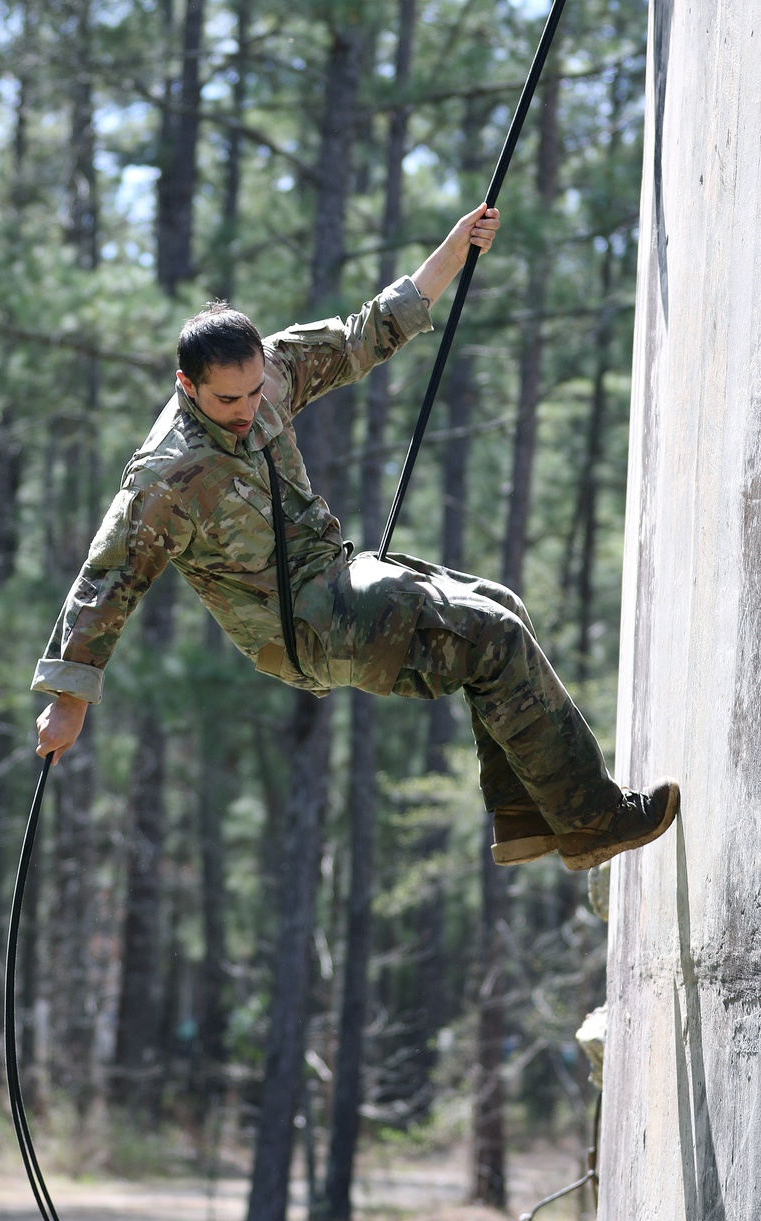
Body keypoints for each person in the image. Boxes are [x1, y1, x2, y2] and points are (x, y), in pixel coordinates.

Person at [34, 203, 678, 872]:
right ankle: (592, 822)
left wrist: (455, 251)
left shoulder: (270, 371)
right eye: (228, 401)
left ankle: (524, 814)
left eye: (255, 391)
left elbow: (362, 334)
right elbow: (106, 580)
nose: (248, 411)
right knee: (493, 638)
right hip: (303, 631)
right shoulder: (167, 476)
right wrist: (69, 701)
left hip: (337, 577)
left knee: (502, 607)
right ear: (186, 386)